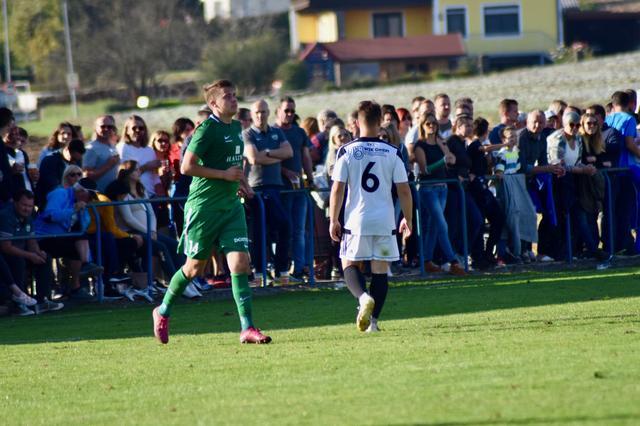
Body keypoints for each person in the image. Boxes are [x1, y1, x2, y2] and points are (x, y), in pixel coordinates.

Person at [152, 79, 271, 345]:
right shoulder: (205, 130)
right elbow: (186, 167)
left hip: (230, 207)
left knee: (240, 264)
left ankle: (247, 328)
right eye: (227, 96)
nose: (233, 99)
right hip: (204, 208)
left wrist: (241, 183)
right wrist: (224, 175)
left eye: (234, 95)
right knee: (194, 268)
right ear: (213, 103)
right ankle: (162, 311)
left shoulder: (237, 127)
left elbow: (233, 164)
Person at [329, 100, 413, 333]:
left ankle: (363, 297)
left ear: (356, 122)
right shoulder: (392, 152)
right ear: (380, 123)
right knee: (379, 270)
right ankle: (373, 323)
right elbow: (404, 190)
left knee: (349, 264)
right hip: (385, 222)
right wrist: (407, 218)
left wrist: (333, 219)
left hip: (357, 221)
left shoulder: (346, 151)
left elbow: (337, 189)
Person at [243, 99, 293, 285]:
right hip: (256, 189)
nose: (260, 115)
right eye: (257, 112)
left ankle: (279, 270)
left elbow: (288, 153)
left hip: (276, 187)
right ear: (251, 114)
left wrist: (268, 154)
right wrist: (274, 154)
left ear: (269, 112)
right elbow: (253, 158)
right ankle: (260, 273)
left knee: (281, 227)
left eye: (263, 112)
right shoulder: (247, 134)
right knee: (259, 232)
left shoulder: (276, 131)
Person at [413, 113, 465, 275]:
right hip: (428, 189)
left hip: (443, 187)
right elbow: (425, 170)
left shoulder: (440, 142)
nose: (432, 126)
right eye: (428, 124)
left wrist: (444, 150)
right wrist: (443, 161)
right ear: (422, 125)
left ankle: (427, 260)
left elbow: (452, 160)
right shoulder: (420, 146)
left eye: (434, 124)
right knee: (442, 224)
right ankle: (453, 261)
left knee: (434, 226)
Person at [34, 179, 102, 299]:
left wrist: (80, 211)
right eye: (90, 196)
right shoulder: (60, 194)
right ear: (81, 192)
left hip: (60, 237)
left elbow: (85, 224)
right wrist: (73, 210)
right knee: (79, 243)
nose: (90, 199)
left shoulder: (79, 202)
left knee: (82, 241)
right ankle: (83, 271)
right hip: (43, 238)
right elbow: (50, 216)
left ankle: (78, 283)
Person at [0, 190, 63, 314]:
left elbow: (31, 241)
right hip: (7, 256)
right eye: (24, 205)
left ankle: (42, 301)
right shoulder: (5, 216)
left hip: (22, 253)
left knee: (45, 259)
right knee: (18, 262)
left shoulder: (29, 217)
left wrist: (38, 252)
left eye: (30, 206)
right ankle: (19, 304)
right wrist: (30, 255)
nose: (27, 209)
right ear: (15, 203)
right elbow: (6, 247)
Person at [274, 96, 314, 280]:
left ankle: (299, 268)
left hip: (298, 188)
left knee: (299, 230)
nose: (290, 114)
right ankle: (280, 268)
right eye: (286, 110)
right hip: (280, 188)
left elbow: (305, 156)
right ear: (278, 111)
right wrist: (285, 171)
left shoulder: (299, 132)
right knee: (283, 230)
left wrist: (310, 178)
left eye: (292, 111)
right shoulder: (272, 132)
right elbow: (268, 160)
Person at [518, 110, 565, 261]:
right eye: (534, 122)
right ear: (527, 123)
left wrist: (555, 168)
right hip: (517, 182)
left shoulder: (542, 138)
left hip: (530, 182)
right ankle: (522, 250)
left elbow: (543, 162)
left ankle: (530, 249)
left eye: (541, 122)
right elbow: (523, 167)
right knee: (523, 216)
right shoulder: (521, 138)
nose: (537, 125)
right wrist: (547, 168)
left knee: (532, 214)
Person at [36, 139, 85, 209]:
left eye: (76, 160)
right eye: (73, 158)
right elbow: (52, 185)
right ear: (67, 150)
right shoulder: (50, 161)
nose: (74, 162)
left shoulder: (78, 160)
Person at [83, 115, 120, 192]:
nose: (106, 129)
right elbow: (86, 176)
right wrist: (108, 165)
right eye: (102, 126)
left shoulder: (112, 146)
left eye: (109, 127)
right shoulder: (91, 148)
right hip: (99, 197)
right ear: (95, 128)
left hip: (114, 194)